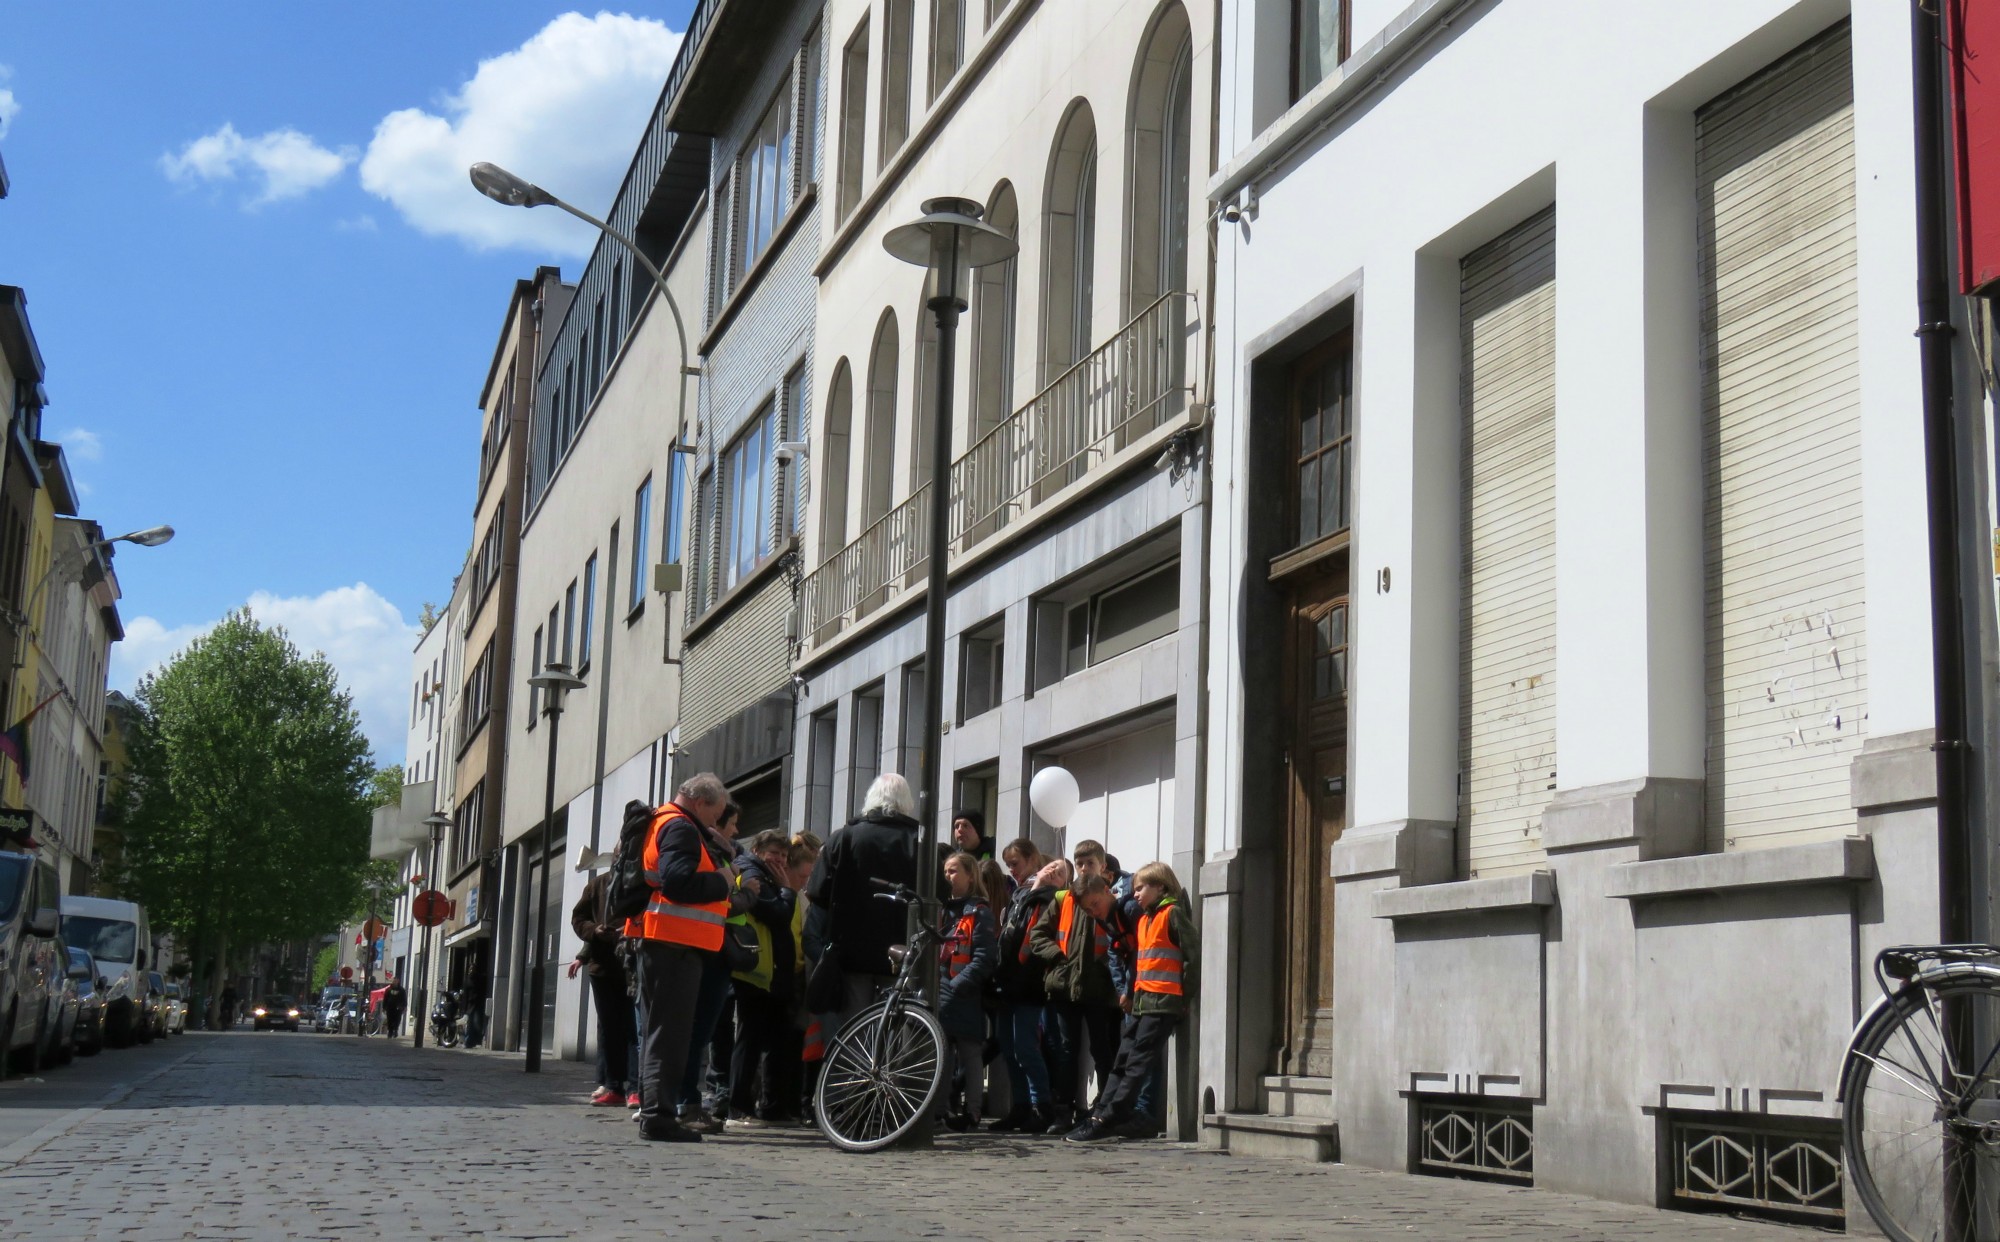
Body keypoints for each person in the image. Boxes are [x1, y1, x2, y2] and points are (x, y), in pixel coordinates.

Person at [629, 773, 757, 1143]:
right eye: (716, 815)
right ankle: (658, 1118)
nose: (716, 823)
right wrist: (725, 876)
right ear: (700, 803)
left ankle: (657, 1113)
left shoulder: (667, 822)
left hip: (668, 942)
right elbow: (677, 882)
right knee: (670, 1036)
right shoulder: (681, 828)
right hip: (674, 944)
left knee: (662, 1035)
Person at [1067, 862, 1199, 1143]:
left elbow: (1190, 956)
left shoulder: (1162, 913)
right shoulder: (1145, 918)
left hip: (1163, 1000)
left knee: (1137, 1063)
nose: (1135, 893)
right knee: (1123, 1061)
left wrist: (1184, 997)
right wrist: (1128, 991)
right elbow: (1131, 957)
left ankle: (1110, 1118)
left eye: (1141, 888)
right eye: (1134, 888)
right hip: (1143, 999)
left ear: (1160, 886)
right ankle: (1100, 1114)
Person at [805, 773, 925, 1037]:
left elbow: (818, 892)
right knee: (891, 1033)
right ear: (906, 801)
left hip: (851, 951)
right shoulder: (918, 840)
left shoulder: (844, 837)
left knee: (852, 1031)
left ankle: (855, 1077)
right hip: (900, 952)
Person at [1030, 871, 1123, 1133]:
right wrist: (1058, 957)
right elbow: (1038, 935)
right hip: (1065, 986)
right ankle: (1064, 1111)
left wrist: (1107, 969)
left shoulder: (1110, 903)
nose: (1082, 867)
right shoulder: (1063, 901)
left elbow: (1119, 944)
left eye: (1088, 863)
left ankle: (1104, 1109)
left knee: (1102, 1050)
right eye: (1079, 863)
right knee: (1067, 1051)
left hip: (1098, 988)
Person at [725, 829, 802, 1128]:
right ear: (757, 849)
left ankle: (773, 1107)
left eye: (783, 855)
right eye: (774, 853)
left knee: (775, 1041)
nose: (780, 859)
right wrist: (787, 890)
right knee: (750, 1040)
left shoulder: (768, 876)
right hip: (756, 972)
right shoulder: (750, 873)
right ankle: (739, 1107)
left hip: (773, 974)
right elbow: (779, 914)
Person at [681, 801, 744, 1131]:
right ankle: (685, 1102)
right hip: (704, 950)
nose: (735, 830)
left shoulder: (728, 854)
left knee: (698, 1034)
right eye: (731, 823)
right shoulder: (710, 852)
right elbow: (729, 902)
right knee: (694, 1034)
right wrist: (744, 893)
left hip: (713, 951)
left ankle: (684, 1100)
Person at [990, 837, 1059, 1132]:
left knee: (1025, 1047)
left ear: (1033, 859)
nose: (1012, 870)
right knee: (1008, 1046)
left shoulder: (1044, 892)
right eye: (1009, 865)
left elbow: (1033, 935)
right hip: (1009, 979)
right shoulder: (1021, 892)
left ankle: (1040, 1106)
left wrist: (1037, 883)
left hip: (1028, 981)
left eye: (1016, 864)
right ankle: (1020, 1106)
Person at [936, 851, 999, 1131]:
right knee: (943, 1052)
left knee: (970, 1053)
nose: (947, 876)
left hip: (964, 992)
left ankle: (971, 1113)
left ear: (970, 875)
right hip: (940, 989)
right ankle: (941, 1110)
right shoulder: (943, 908)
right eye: (945, 871)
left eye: (953, 871)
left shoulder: (980, 912)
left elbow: (985, 956)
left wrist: (959, 984)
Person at [571, 859, 638, 1108]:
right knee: (610, 1029)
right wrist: (595, 931)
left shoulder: (643, 883)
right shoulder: (597, 885)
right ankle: (613, 1086)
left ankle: (635, 1087)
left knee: (634, 1029)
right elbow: (579, 919)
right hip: (604, 967)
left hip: (634, 964)